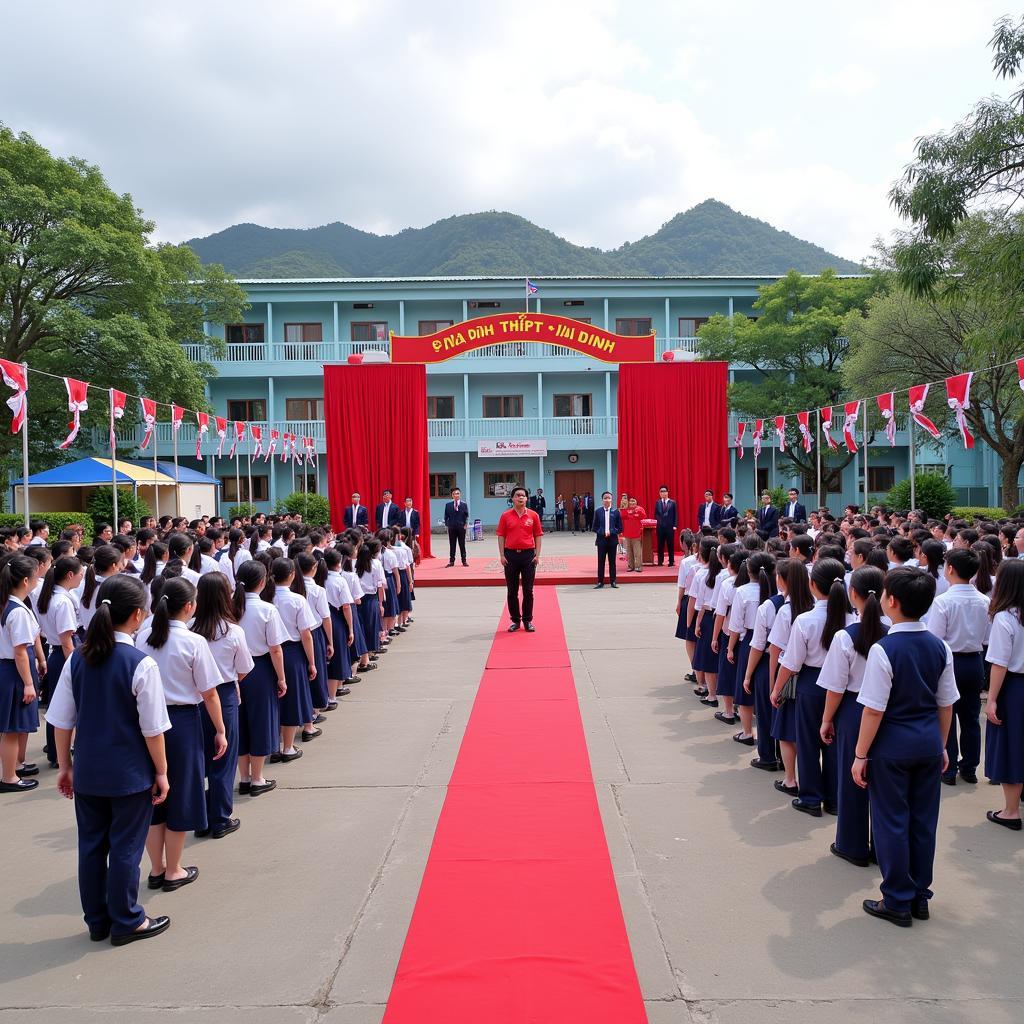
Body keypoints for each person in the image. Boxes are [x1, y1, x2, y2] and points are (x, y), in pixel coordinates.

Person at [48, 574, 172, 945]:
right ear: (137, 615)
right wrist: (163, 772)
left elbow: (60, 720)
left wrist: (66, 766)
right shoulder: (140, 664)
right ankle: (127, 919)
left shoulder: (77, 661)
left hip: (88, 768)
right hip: (129, 772)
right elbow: (153, 730)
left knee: (91, 847)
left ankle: (98, 921)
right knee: (125, 849)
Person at [853, 567, 958, 927]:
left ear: (891, 601)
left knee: (891, 821)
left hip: (892, 747)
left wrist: (859, 754)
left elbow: (873, 709)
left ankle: (897, 898)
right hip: (928, 742)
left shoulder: (885, 649)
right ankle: (919, 896)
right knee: (923, 821)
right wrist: (942, 745)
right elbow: (947, 704)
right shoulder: (940, 647)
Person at [138, 576, 226, 892]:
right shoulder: (193, 642)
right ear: (189, 606)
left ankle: (157, 868)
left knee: (155, 797)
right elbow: (210, 693)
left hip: (148, 722)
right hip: (183, 723)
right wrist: (220, 728)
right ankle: (174, 869)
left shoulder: (143, 636)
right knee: (181, 794)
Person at [818, 566, 887, 867]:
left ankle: (852, 844)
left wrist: (826, 719)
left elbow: (835, 686)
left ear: (853, 594)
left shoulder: (844, 637)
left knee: (851, 778)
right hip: (884, 710)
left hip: (852, 708)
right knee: (881, 782)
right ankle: (881, 848)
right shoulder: (891, 633)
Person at [772, 558, 852, 817]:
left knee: (808, 742)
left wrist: (777, 689)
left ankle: (810, 797)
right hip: (842, 686)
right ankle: (834, 799)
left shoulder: (806, 620)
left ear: (813, 585)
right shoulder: (852, 618)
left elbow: (791, 662)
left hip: (810, 683)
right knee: (834, 743)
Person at [191, 572, 253, 840]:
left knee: (200, 760)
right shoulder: (232, 630)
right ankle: (219, 817)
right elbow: (244, 669)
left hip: (193, 697)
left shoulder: (190, 628)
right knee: (223, 760)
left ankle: (200, 817)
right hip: (224, 692)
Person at [926, 548, 989, 786]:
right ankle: (970, 767)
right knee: (971, 716)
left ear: (950, 569)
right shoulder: (985, 601)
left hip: (948, 660)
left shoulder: (943, 602)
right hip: (974, 660)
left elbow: (934, 638)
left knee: (946, 713)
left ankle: (949, 768)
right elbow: (987, 637)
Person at [983, 558, 1024, 831]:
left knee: (1011, 747)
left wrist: (992, 698)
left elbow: (1000, 662)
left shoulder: (1005, 617)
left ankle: (1011, 811)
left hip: (1013, 687)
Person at [0, 554, 44, 793]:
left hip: (11, 670)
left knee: (15, 726)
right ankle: (8, 777)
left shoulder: (10, 604)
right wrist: (28, 683)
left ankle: (15, 766)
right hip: (15, 671)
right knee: (11, 729)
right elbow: (19, 652)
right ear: (26, 580)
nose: (39, 579)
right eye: (36, 576)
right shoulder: (16, 610)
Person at [496, 486, 543, 633]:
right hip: (510, 556)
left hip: (528, 556)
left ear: (527, 498)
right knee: (512, 590)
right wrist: (502, 555)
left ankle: (527, 620)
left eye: (523, 495)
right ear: (512, 498)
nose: (520, 498)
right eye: (517, 495)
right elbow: (501, 535)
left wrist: (537, 555)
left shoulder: (533, 515)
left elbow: (538, 535)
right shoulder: (505, 516)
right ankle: (515, 620)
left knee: (528, 591)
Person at [593, 491, 622, 589]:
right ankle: (600, 581)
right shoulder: (598, 511)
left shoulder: (616, 512)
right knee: (601, 561)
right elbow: (594, 527)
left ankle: (613, 581)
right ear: (602, 500)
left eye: (609, 498)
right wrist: (602, 532)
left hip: (612, 540)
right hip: (601, 540)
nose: (607, 500)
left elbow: (620, 528)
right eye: (605, 498)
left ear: (611, 500)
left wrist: (612, 531)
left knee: (612, 562)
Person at [444, 487, 470, 567]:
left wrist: (465, 524)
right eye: (454, 494)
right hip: (452, 528)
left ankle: (464, 560)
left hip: (461, 528)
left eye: (458, 493)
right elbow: (446, 516)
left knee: (462, 544)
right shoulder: (448, 505)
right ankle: (451, 561)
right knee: (452, 545)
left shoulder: (464, 504)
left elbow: (466, 515)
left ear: (460, 495)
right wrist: (448, 524)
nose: (456, 495)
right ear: (452, 495)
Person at [654, 486, 677, 567]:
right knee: (660, 545)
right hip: (660, 527)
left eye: (664, 491)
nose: (663, 493)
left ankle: (671, 561)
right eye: (661, 491)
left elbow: (675, 515)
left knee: (670, 544)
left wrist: (675, 525)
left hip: (670, 527)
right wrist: (656, 524)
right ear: (659, 493)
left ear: (667, 492)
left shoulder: (672, 502)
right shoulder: (658, 502)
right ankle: (660, 561)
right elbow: (656, 514)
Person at [622, 496, 646, 573]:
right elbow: (622, 516)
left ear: (636, 502)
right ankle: (630, 566)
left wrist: (635, 512)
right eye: (631, 501)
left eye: (633, 501)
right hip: (627, 535)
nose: (632, 503)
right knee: (629, 553)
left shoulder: (640, 509)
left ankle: (638, 566)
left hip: (636, 535)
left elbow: (643, 516)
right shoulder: (625, 509)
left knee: (637, 552)